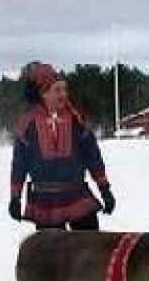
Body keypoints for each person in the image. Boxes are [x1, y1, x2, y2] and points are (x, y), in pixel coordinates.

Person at [9, 62, 115, 230]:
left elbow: (92, 157)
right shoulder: (27, 124)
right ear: (43, 94)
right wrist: (15, 197)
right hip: (45, 201)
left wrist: (104, 189)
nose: (63, 95)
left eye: (65, 89)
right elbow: (19, 164)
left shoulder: (76, 120)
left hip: (77, 196)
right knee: (53, 255)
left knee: (89, 248)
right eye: (57, 90)